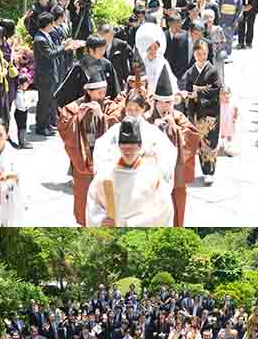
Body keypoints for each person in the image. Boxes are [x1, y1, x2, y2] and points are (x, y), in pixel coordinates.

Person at [57, 60, 126, 226]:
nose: (102, 93)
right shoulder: (75, 106)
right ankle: (83, 223)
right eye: (98, 91)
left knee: (105, 197)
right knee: (83, 196)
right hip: (83, 158)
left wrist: (101, 116)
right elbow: (63, 125)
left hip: (104, 159)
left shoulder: (110, 106)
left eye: (103, 90)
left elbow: (117, 124)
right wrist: (78, 118)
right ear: (88, 90)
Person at [86, 118, 174, 227]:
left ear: (140, 147)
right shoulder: (105, 173)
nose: (128, 152)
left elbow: (163, 209)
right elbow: (93, 201)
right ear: (119, 147)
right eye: (124, 148)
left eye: (132, 148)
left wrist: (132, 224)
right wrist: (100, 219)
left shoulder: (152, 174)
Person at [148, 66, 200, 226]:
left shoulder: (179, 117)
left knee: (177, 203)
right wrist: (153, 130)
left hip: (175, 170)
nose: (165, 106)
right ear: (154, 102)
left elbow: (192, 136)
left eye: (168, 102)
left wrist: (175, 128)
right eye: (161, 103)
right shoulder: (146, 119)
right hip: (153, 173)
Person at [180, 40, 222, 187]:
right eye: (198, 53)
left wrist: (198, 92)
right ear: (194, 54)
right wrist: (187, 94)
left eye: (204, 53)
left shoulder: (213, 70)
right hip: (196, 112)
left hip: (210, 112)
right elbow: (185, 87)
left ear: (208, 53)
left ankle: (209, 172)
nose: (201, 56)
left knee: (209, 141)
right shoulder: (190, 71)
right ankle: (201, 170)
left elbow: (216, 89)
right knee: (198, 141)